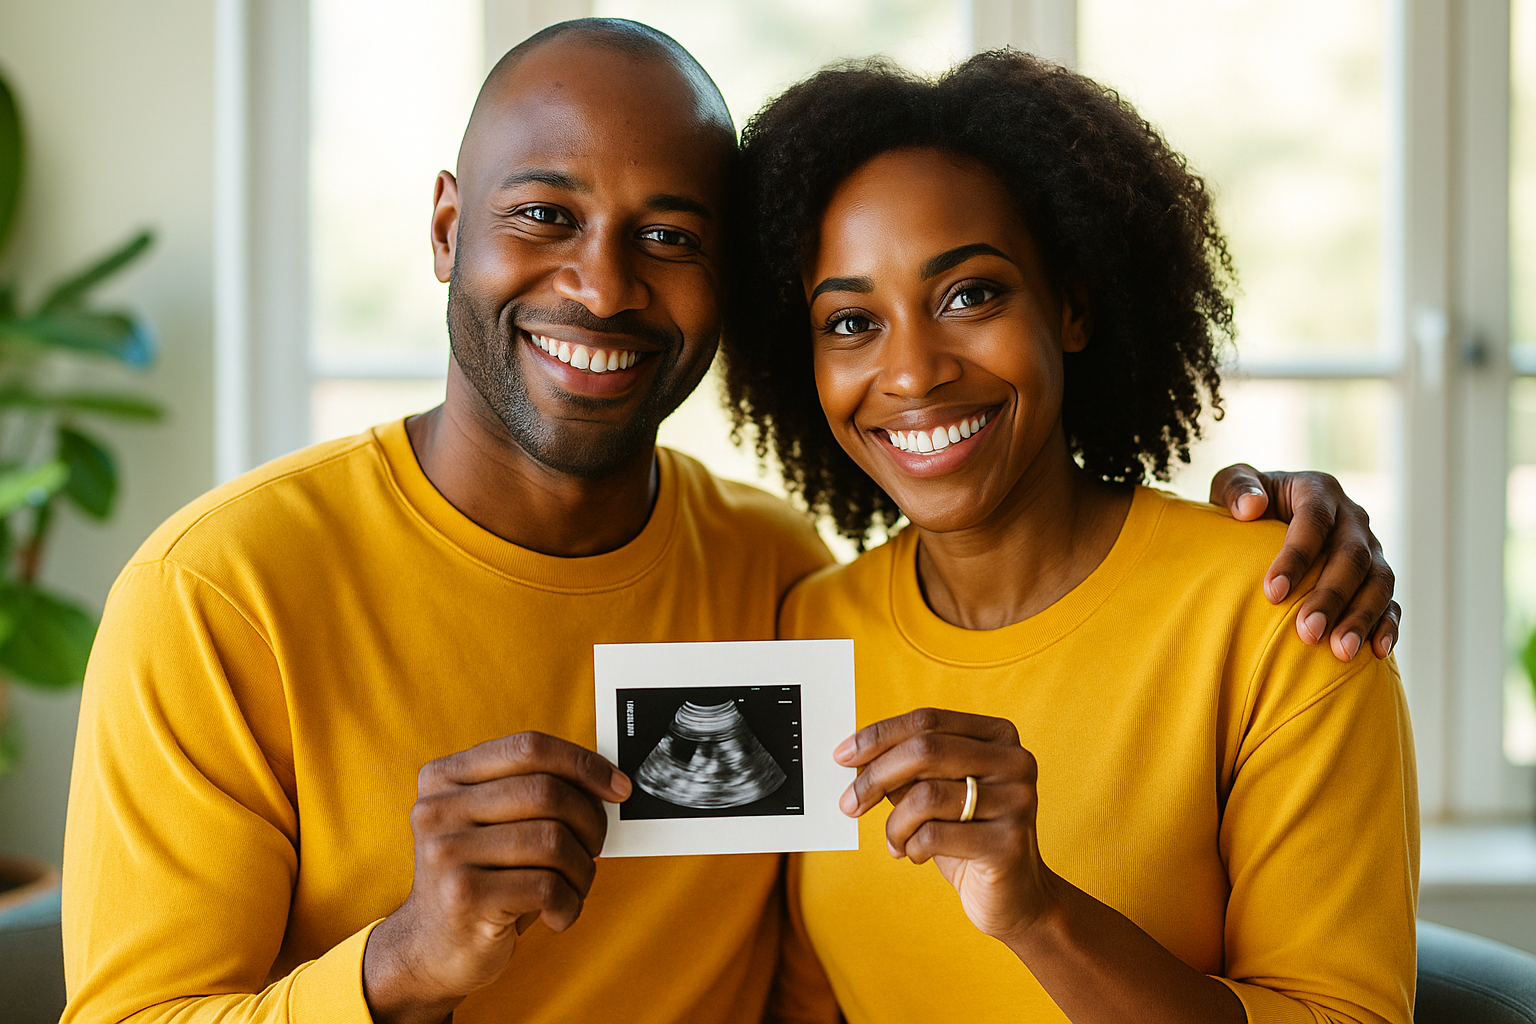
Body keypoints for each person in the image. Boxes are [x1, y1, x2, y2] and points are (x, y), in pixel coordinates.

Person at [61, 20, 1399, 1024]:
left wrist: (1281, 520)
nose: (602, 287)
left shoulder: (777, 584)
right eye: (543, 215)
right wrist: (401, 964)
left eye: (670, 236)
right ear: (448, 227)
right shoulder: (217, 593)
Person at [723, 53, 1416, 1024]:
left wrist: (1038, 912)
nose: (912, 372)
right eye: (849, 321)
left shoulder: (1282, 615)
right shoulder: (810, 629)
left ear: (1073, 305)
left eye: (970, 295)